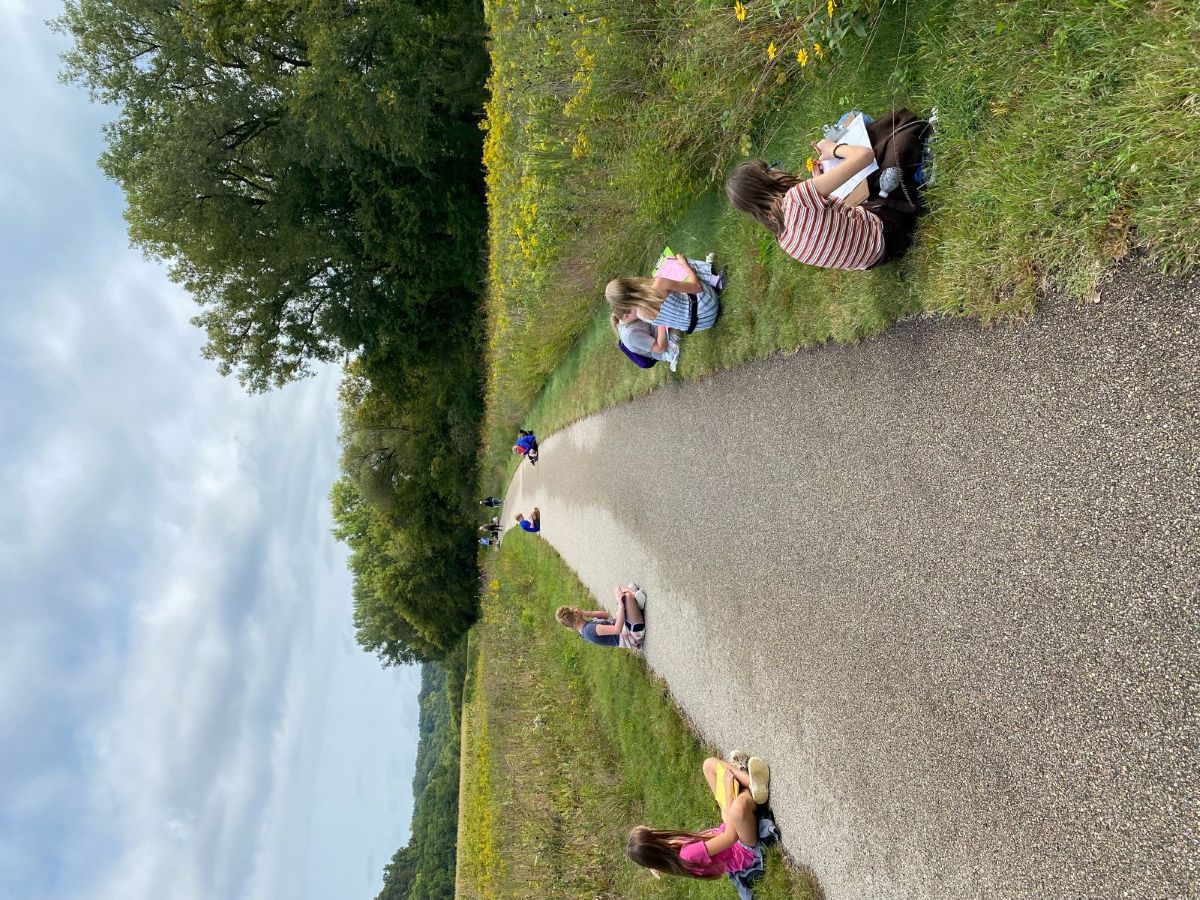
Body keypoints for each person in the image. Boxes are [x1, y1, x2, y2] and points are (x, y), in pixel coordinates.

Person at [725, 108, 931, 270]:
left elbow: (829, 224)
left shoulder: (783, 239)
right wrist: (832, 150)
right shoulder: (798, 198)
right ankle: (922, 170)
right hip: (893, 229)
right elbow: (864, 156)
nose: (777, 169)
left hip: (883, 255)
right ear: (766, 179)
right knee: (861, 125)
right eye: (770, 168)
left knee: (849, 127)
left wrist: (819, 181)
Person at [625, 755, 777, 898]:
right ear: (654, 843)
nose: (653, 828)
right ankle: (751, 784)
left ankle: (746, 780)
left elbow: (657, 861)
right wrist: (729, 794)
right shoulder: (687, 855)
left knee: (708, 766)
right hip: (744, 849)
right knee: (737, 809)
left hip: (728, 827)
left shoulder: (669, 851)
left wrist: (653, 865)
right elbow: (731, 837)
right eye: (650, 831)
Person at [606, 253, 722, 360]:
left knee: (675, 276)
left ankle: (711, 277)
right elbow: (697, 287)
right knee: (677, 264)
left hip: (702, 324)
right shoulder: (659, 284)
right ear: (628, 281)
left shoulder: (641, 314)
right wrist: (684, 264)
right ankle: (716, 281)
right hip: (709, 307)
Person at [555, 582, 647, 651]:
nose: (577, 609)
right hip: (633, 635)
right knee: (627, 597)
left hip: (626, 627)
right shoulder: (589, 629)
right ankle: (635, 597)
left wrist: (586, 613)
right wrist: (621, 605)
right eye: (575, 609)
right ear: (575, 614)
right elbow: (617, 630)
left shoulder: (584, 629)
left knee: (618, 589)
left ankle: (634, 598)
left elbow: (606, 615)